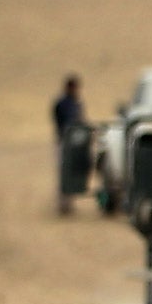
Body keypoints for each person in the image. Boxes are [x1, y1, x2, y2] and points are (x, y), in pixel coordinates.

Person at [51, 74, 87, 215]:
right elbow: (62, 123)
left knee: (72, 172)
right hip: (63, 142)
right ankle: (63, 203)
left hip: (75, 143)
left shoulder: (76, 103)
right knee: (63, 172)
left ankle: (69, 202)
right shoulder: (62, 103)